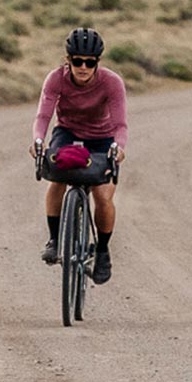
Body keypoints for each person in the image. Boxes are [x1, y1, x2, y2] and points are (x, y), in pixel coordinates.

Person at [29, 27, 127, 284]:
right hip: (68, 133)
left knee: (103, 196)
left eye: (89, 62)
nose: (83, 67)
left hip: (102, 138)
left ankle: (103, 251)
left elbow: (120, 125)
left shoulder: (111, 82)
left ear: (97, 63)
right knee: (57, 178)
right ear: (68, 59)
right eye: (77, 61)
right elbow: (43, 116)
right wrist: (38, 140)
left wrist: (118, 148)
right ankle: (54, 239)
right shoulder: (56, 79)